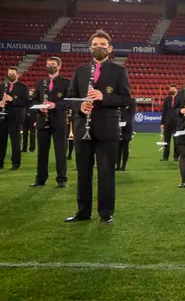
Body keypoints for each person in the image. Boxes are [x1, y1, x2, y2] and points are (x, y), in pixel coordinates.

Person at [65, 30, 131, 224]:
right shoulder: (80, 71)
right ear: (90, 48)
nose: (99, 48)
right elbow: (71, 98)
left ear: (110, 49)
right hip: (82, 128)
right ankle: (83, 212)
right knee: (83, 172)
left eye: (103, 45)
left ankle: (106, 212)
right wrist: (80, 107)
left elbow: (126, 99)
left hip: (107, 130)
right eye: (95, 45)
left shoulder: (119, 71)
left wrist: (105, 97)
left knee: (106, 172)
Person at [29, 57, 70, 187]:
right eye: (48, 64)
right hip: (42, 121)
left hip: (58, 122)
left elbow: (69, 101)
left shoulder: (66, 83)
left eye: (52, 64)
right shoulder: (41, 83)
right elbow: (34, 100)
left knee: (60, 151)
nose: (50, 66)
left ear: (59, 66)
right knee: (42, 152)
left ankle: (61, 179)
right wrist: (39, 107)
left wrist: (55, 105)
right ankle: (40, 179)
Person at [0, 67, 29, 170]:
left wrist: (12, 100)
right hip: (2, 117)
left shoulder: (23, 87)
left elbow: (26, 102)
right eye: (9, 73)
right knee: (1, 140)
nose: (10, 75)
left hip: (15, 118)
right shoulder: (2, 86)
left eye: (13, 73)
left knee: (15, 142)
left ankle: (15, 163)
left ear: (17, 75)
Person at [160, 84, 180, 162]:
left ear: (176, 90)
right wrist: (162, 123)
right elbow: (164, 112)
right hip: (167, 123)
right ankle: (165, 157)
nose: (171, 90)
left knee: (176, 141)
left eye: (173, 89)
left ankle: (176, 156)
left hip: (177, 123)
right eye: (170, 89)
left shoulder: (179, 99)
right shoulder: (167, 99)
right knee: (166, 141)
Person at [117, 98, 136, 171]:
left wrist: (123, 122)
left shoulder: (131, 101)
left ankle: (123, 166)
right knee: (117, 147)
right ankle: (117, 166)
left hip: (127, 127)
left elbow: (131, 114)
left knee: (125, 146)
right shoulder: (117, 100)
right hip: (117, 127)